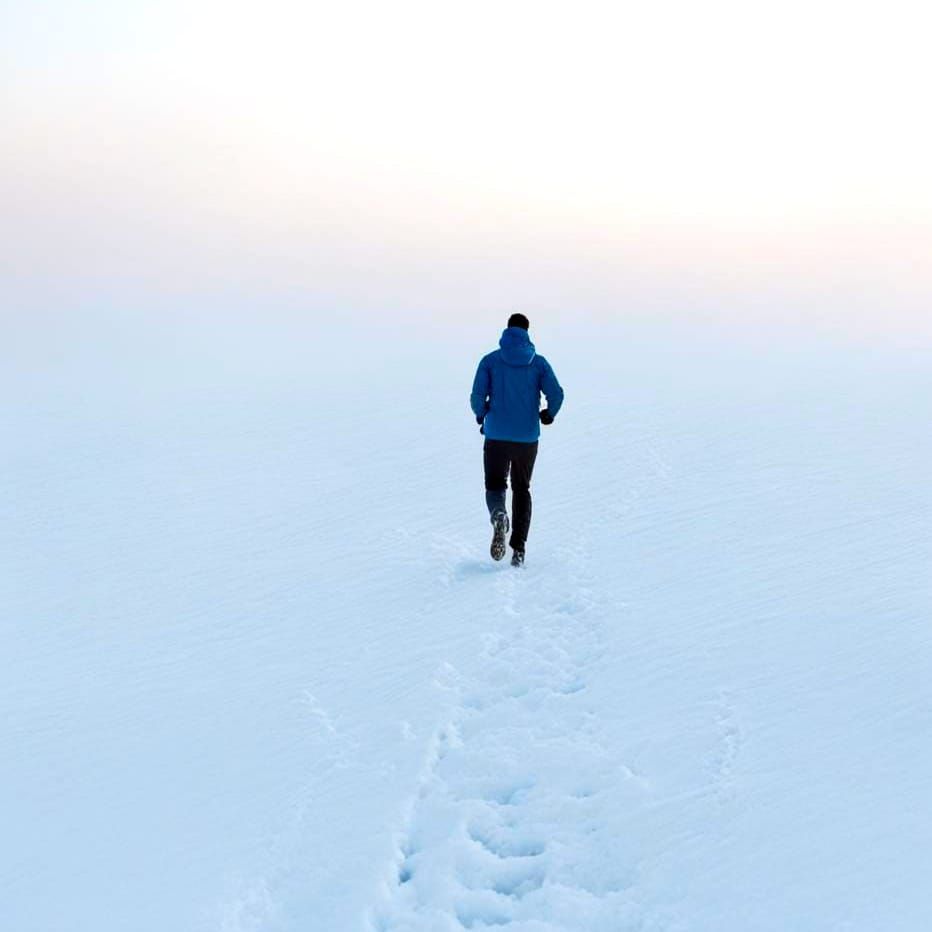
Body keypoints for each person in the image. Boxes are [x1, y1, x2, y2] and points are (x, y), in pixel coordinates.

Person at [470, 314, 564, 566]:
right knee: (521, 489)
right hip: (526, 438)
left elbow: (477, 396)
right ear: (527, 332)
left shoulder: (490, 361)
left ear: (507, 330)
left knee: (495, 485)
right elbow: (556, 394)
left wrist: (482, 415)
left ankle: (499, 514)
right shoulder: (538, 363)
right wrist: (548, 414)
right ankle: (519, 549)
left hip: (496, 435)